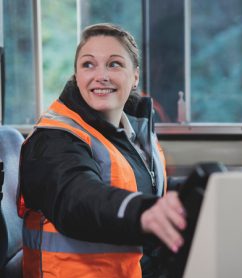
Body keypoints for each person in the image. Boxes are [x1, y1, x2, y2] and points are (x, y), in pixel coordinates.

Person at [17, 23, 186, 278]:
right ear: (76, 74)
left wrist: (202, 191)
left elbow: (144, 186)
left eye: (114, 64)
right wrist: (143, 211)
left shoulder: (131, 131)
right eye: (88, 65)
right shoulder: (53, 139)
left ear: (135, 76)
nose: (101, 76)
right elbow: (76, 197)